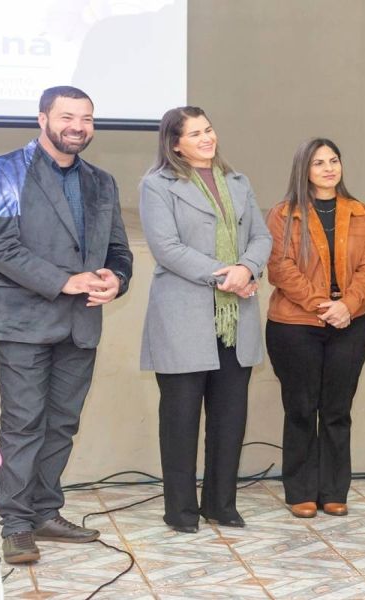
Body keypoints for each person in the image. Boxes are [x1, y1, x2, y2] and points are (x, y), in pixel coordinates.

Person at [0, 86, 132, 564]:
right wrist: (66, 281)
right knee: (23, 425)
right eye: (67, 117)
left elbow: (118, 250)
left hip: (81, 324)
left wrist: (115, 280)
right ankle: (16, 524)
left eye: (86, 118)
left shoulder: (102, 182)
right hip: (21, 322)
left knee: (62, 423)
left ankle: (45, 511)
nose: (77, 127)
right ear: (42, 119)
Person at [139, 106, 272, 533]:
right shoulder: (156, 184)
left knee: (229, 418)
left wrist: (247, 269)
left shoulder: (238, 181)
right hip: (183, 318)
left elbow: (261, 236)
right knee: (180, 419)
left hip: (237, 317)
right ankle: (180, 510)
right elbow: (167, 248)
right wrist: (226, 276)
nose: (206, 139)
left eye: (209, 129)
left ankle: (221, 503)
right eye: (194, 133)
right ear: (175, 142)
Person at [265, 138, 365, 519]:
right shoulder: (284, 213)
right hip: (295, 325)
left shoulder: (360, 212)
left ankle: (333, 490)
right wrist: (322, 306)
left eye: (334, 160)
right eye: (319, 163)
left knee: (337, 410)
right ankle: (300, 491)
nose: (329, 168)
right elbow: (280, 269)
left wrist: (347, 306)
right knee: (301, 408)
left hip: (350, 323)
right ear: (304, 170)